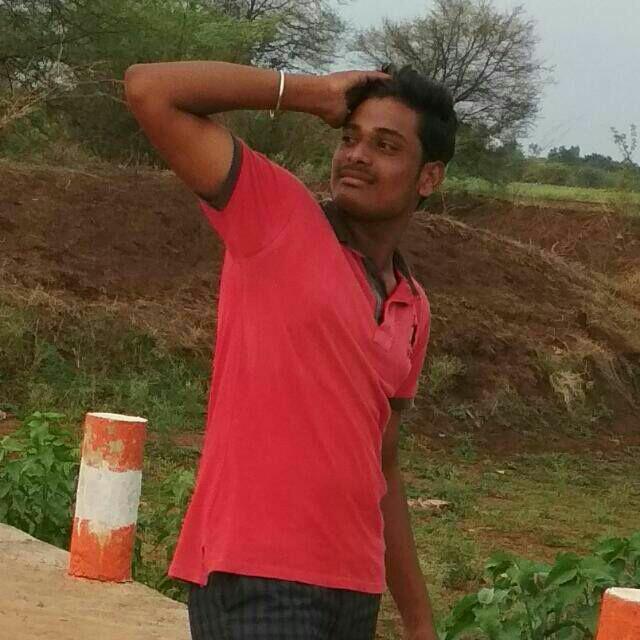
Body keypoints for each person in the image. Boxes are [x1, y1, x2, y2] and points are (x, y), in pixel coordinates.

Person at [124, 60, 457, 640]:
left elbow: (383, 462)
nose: (356, 156)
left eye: (384, 145)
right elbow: (149, 89)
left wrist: (420, 622)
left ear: (428, 177)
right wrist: (307, 93)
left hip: (354, 588)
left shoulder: (412, 306)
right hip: (255, 574)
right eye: (350, 139)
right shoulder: (275, 215)